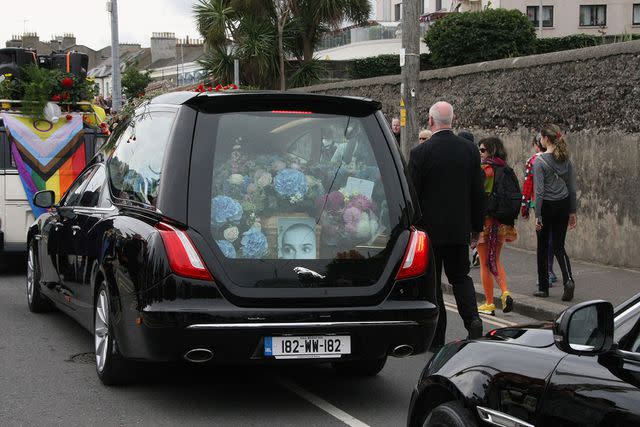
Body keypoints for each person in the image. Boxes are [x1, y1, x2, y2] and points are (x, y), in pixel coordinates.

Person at [409, 101, 485, 350]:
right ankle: (472, 320)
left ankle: (437, 338)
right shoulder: (470, 151)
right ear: (453, 120)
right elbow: (477, 192)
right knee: (460, 277)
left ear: (430, 122)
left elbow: (413, 196)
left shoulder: (420, 153)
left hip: (429, 233)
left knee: (434, 285)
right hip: (458, 230)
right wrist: (477, 228)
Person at [533, 125, 577, 301]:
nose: (540, 140)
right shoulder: (565, 159)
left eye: (541, 137)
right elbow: (571, 188)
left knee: (542, 247)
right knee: (559, 245)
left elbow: (539, 192)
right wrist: (572, 211)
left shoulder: (540, 161)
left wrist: (538, 216)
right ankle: (568, 280)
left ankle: (543, 288)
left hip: (547, 206)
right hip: (564, 204)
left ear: (546, 139)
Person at [475, 137, 517, 315]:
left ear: (491, 151)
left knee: (484, 263)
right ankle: (505, 292)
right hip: (501, 222)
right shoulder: (506, 168)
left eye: (483, 150)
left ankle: (490, 302)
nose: (480, 153)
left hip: (486, 221)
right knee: (496, 259)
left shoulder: (485, 169)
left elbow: (478, 195)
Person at [521, 133, 558, 285]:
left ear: (537, 145)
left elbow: (528, 185)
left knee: (543, 241)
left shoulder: (534, 160)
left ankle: (546, 273)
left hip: (541, 205)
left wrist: (525, 207)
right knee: (553, 240)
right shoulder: (558, 158)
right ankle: (551, 270)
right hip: (558, 203)